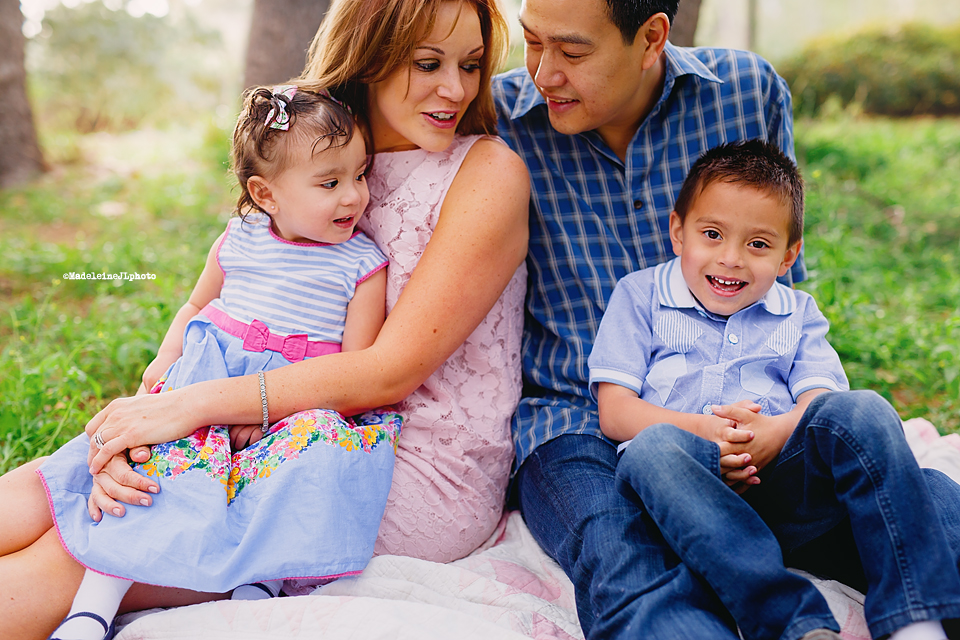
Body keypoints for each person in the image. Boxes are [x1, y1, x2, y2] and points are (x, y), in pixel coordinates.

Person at [0, 1, 529, 638]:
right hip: (263, 415)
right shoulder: (316, 150)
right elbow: (223, 300)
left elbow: (385, 375)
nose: (457, 88)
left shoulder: (487, 172)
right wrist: (148, 417)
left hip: (386, 456)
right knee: (52, 484)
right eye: (427, 63)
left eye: (472, 64)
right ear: (369, 56)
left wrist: (192, 409)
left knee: (81, 546)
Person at [490, 1, 960, 639]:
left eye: (572, 53)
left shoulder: (746, 92)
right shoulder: (498, 120)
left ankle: (916, 620)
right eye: (532, 43)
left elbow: (778, 286)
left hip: (761, 435)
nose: (543, 74)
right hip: (583, 421)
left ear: (652, 36)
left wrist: (778, 428)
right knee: (621, 552)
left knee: (929, 502)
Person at [41, 82, 401, 640]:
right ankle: (94, 603)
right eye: (330, 183)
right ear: (266, 194)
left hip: (297, 400)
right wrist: (166, 358)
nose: (354, 197)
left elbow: (355, 367)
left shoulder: (361, 264)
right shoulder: (240, 239)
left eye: (359, 175)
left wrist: (277, 414)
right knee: (154, 475)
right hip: (210, 383)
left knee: (308, 462)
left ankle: (257, 589)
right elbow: (196, 304)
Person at [590, 139, 960, 640]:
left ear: (789, 256)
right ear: (678, 231)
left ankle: (916, 621)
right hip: (690, 490)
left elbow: (820, 405)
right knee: (650, 450)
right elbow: (615, 412)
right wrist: (704, 432)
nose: (732, 259)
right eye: (713, 234)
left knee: (877, 424)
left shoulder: (797, 312)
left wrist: (776, 432)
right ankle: (796, 623)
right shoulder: (640, 295)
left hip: (785, 483)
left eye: (758, 244)